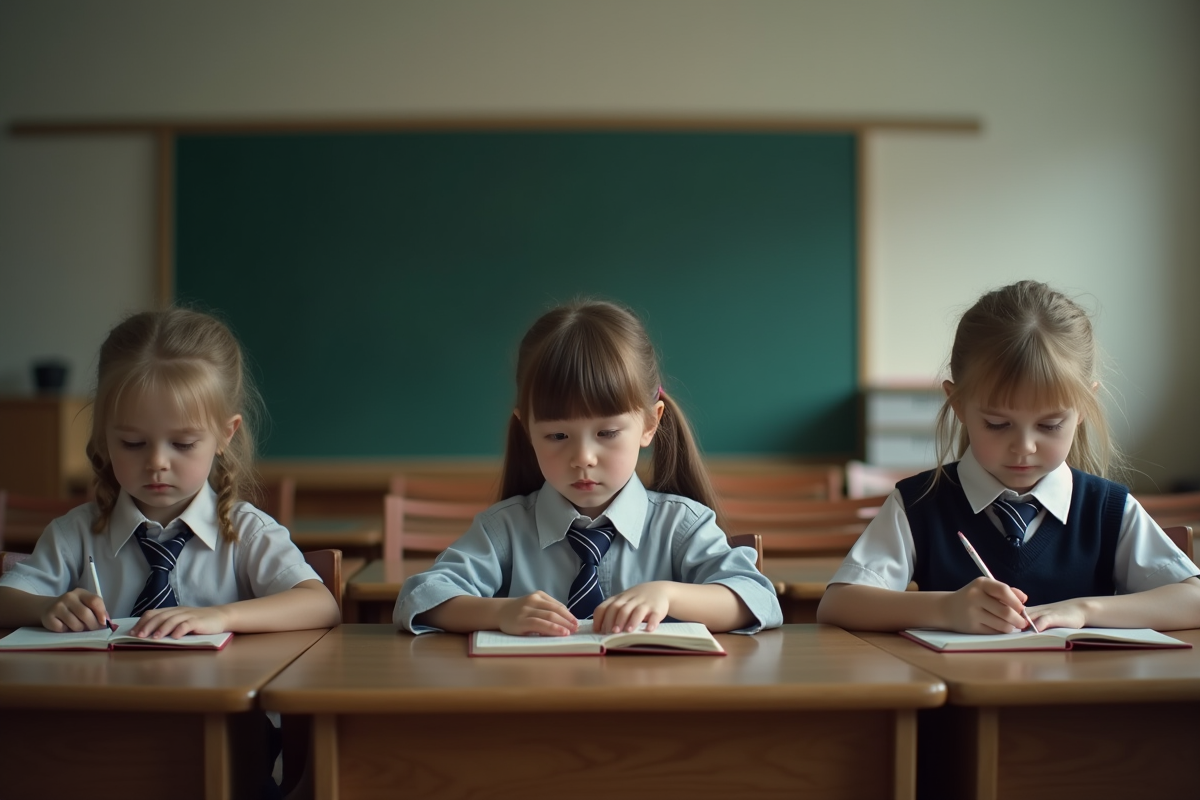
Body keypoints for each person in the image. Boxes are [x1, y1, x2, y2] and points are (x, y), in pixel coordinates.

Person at [818, 280, 1200, 633]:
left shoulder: (1107, 509)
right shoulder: (919, 503)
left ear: (1083, 408)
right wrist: (944, 609)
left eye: (1050, 425)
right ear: (958, 404)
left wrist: (1085, 610)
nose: (1024, 447)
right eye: (998, 424)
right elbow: (838, 604)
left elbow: (1193, 600)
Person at [394, 299, 782, 636]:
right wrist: (500, 612)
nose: (583, 457)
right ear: (527, 431)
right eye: (557, 436)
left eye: (607, 433)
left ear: (650, 424)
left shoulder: (681, 526)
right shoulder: (504, 530)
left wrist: (669, 595)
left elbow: (759, 599)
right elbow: (419, 598)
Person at [0, 308, 342, 637]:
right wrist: (45, 607)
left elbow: (321, 605)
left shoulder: (247, 534)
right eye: (133, 443)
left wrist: (222, 616)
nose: (157, 463)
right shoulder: (75, 534)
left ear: (225, 435)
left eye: (183, 444)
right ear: (105, 436)